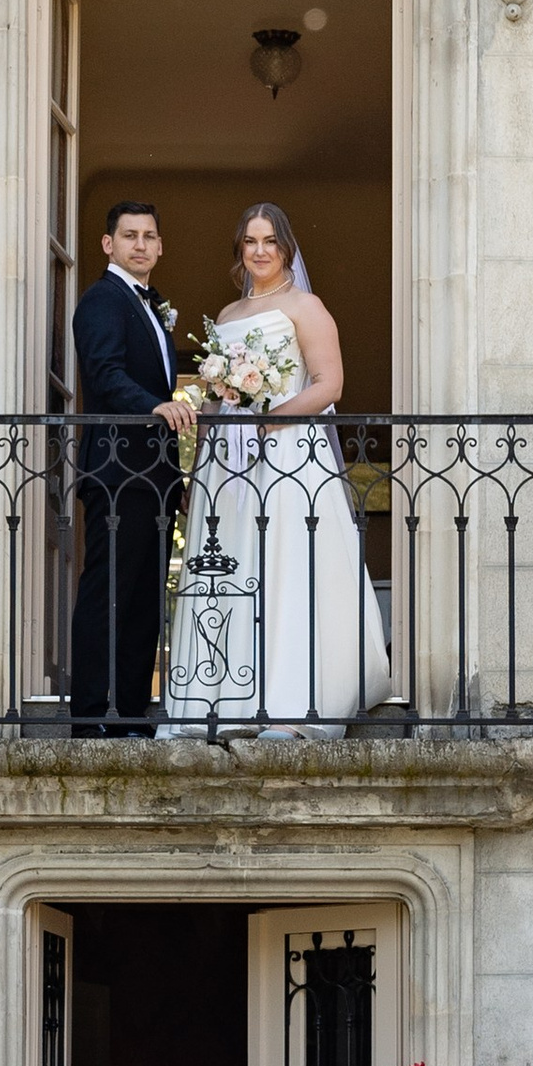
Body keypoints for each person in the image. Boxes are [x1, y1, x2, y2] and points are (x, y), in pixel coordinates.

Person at [163, 204, 391, 732]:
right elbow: (219, 400)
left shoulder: (306, 306)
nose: (259, 251)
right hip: (229, 464)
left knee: (285, 566)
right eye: (249, 241)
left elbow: (328, 385)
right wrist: (201, 467)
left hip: (288, 456)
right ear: (239, 249)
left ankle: (289, 701)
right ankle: (220, 704)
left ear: (286, 246)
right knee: (230, 570)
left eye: (269, 240)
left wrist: (269, 421)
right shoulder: (224, 317)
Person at [68, 200, 180, 733]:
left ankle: (132, 716)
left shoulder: (150, 306)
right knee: (109, 593)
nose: (140, 244)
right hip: (116, 470)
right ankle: (92, 718)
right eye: (129, 235)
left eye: (149, 235)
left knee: (143, 601)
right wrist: (155, 407)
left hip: (153, 476)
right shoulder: (102, 300)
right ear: (108, 244)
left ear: (160, 246)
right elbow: (106, 374)